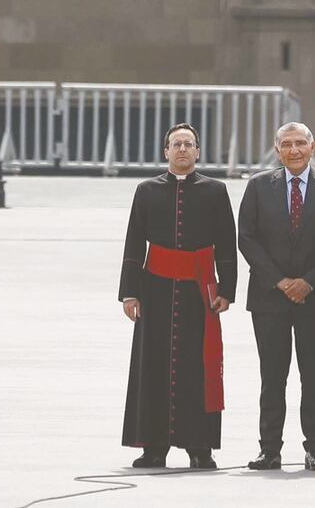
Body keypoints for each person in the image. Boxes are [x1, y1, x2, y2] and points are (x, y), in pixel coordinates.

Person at [118, 123, 237, 469]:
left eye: (188, 144)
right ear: (165, 151)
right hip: (154, 291)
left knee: (198, 368)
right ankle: (154, 447)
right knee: (153, 367)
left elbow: (226, 245)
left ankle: (199, 447)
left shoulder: (216, 191)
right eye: (176, 144)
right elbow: (133, 243)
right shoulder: (146, 190)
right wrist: (130, 293)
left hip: (198, 291)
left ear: (198, 152)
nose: (182, 149)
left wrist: (226, 290)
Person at [238, 122, 315, 472]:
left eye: (301, 143)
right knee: (273, 376)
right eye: (287, 144)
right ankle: (269, 449)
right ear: (277, 150)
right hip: (269, 298)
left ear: (312, 147)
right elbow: (247, 238)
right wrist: (282, 281)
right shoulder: (258, 186)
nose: (294, 150)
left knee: (313, 375)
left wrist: (308, 282)